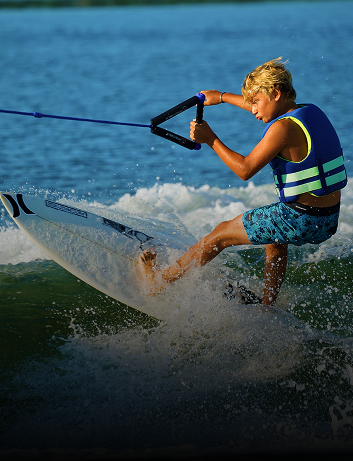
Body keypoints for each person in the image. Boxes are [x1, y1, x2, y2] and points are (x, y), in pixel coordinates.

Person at [137, 58, 347, 305]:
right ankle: (268, 305)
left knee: (220, 234)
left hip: (300, 219)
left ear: (276, 93)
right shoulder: (308, 112)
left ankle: (158, 285)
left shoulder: (282, 129)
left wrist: (211, 139)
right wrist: (222, 97)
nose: (253, 109)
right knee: (274, 237)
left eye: (255, 102)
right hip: (327, 218)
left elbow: (245, 170)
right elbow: (266, 108)